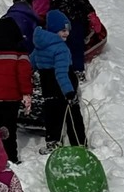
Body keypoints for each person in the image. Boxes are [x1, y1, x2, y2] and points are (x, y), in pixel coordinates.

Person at [30, 10, 86, 153]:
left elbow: (31, 64)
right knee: (72, 115)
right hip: (63, 87)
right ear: (54, 29)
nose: (66, 33)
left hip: (48, 87)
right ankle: (79, 144)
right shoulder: (61, 48)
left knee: (52, 115)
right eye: (62, 30)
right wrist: (69, 92)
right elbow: (61, 73)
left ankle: (53, 143)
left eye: (67, 30)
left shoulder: (40, 46)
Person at [0, 18, 32, 164]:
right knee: (8, 129)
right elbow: (24, 75)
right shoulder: (18, 51)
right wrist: (26, 93)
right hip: (10, 98)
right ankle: (10, 157)